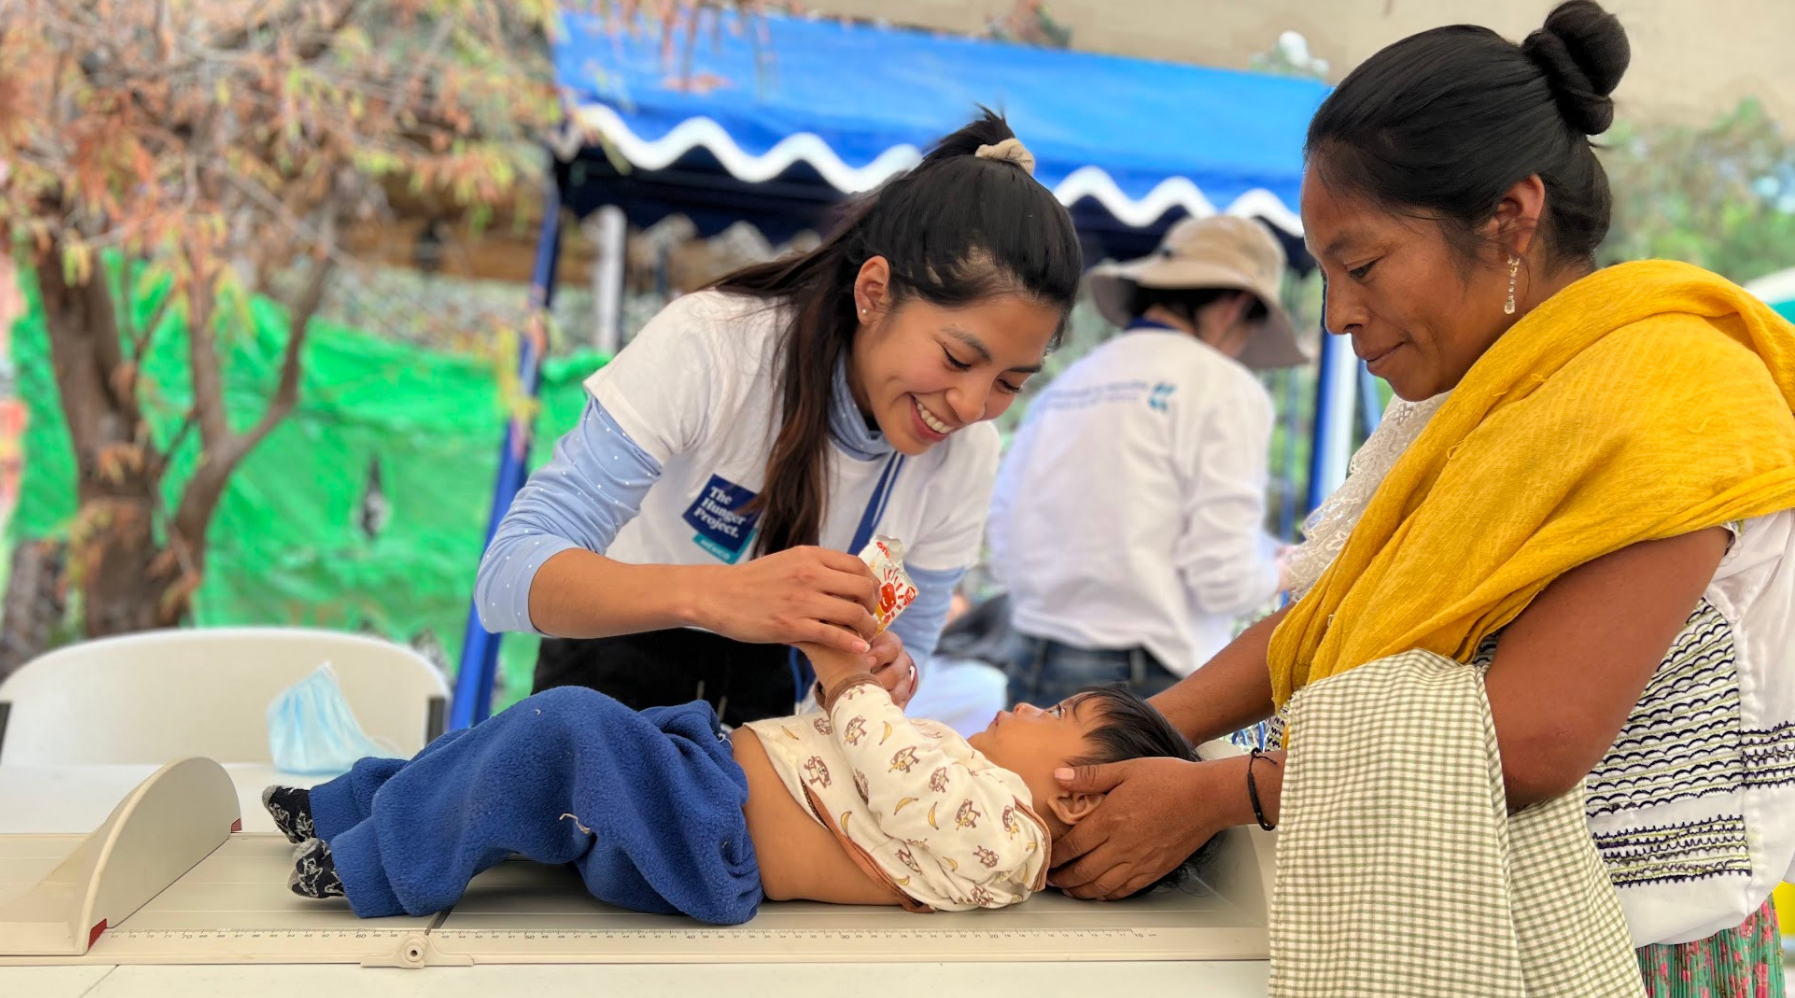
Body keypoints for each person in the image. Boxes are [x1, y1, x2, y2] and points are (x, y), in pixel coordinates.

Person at [1044, 3, 1795, 995]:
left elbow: (1531, 736)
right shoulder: (1459, 401)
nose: (1341, 312)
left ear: (1510, 217)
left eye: (1361, 264)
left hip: (1623, 947)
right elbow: (1323, 621)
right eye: (1326, 274)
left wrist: (1214, 794)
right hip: (1468, 909)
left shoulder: (1672, 389)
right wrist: (1130, 731)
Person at [473, 110, 1083, 725]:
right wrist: (719, 598)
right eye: (956, 358)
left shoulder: (967, 453)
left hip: (767, 733)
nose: (972, 408)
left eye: (1009, 382)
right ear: (874, 293)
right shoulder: (715, 346)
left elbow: (911, 647)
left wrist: (885, 676)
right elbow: (507, 575)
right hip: (604, 694)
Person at [260, 636, 1202, 923]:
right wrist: (871, 696)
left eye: (1059, 718)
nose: (1031, 710)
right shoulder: (965, 777)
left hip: (707, 837)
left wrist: (856, 694)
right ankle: (349, 806)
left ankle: (376, 870)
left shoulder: (1008, 841)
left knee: (563, 724)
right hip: (699, 776)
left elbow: (907, 790)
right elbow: (883, 768)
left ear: (1074, 792)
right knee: (519, 738)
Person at [988, 216, 1307, 707]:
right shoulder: (1225, 388)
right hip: (1143, 678)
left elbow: (1004, 542)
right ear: (1235, 306)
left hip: (1028, 661)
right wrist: (1285, 570)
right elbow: (1223, 580)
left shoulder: (1068, 384)